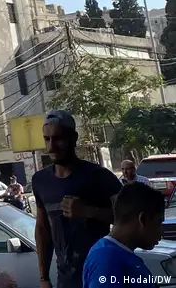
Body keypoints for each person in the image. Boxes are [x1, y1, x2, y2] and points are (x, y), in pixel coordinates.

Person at [32, 110, 122, 288]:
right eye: (47, 139)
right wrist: (43, 278)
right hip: (65, 280)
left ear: (74, 138)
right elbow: (43, 230)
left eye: (58, 138)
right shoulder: (40, 180)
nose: (51, 147)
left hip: (102, 275)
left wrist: (89, 211)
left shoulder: (100, 176)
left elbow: (129, 218)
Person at [83, 183, 164, 288]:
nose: (161, 232)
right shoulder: (107, 260)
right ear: (143, 219)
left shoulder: (115, 255)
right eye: (159, 223)